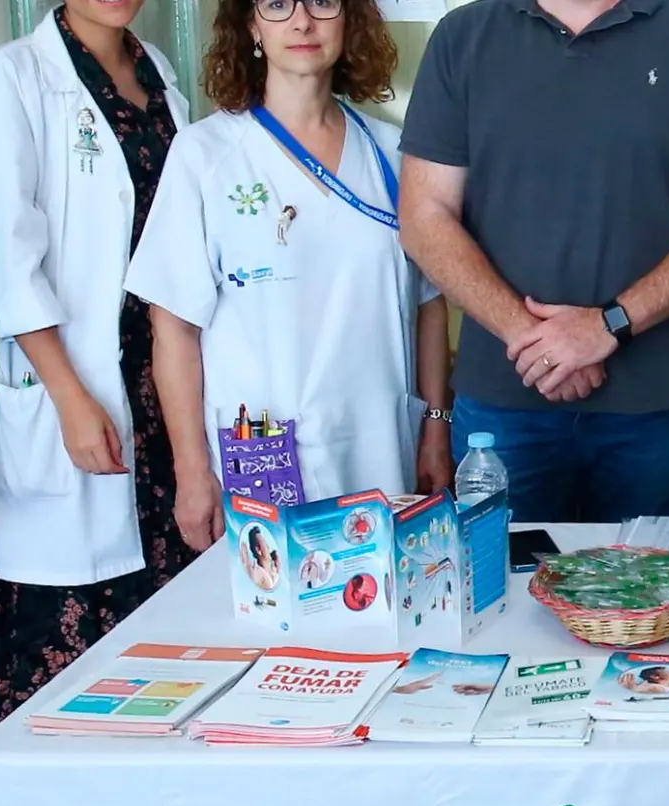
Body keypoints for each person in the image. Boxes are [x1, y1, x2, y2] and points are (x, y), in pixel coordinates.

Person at [398, 0, 669, 524]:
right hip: (503, 404)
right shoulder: (464, 36)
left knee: (638, 598)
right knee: (500, 592)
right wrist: (535, 339)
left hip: (649, 405)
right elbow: (423, 218)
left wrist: (607, 326)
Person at [128, 0, 453, 554]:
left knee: (380, 623)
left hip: (379, 447)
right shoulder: (205, 156)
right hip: (262, 454)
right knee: (272, 625)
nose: (302, 22)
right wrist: (191, 471)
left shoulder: (392, 154)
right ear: (250, 25)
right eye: (277, 4)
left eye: (323, 2)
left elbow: (429, 303)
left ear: (350, 19)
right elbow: (174, 330)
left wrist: (437, 429)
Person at [0, 0, 197, 717]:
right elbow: (9, 262)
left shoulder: (158, 72)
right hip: (74, 394)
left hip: (164, 401)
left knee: (171, 675)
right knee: (65, 694)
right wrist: (70, 396)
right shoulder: (10, 79)